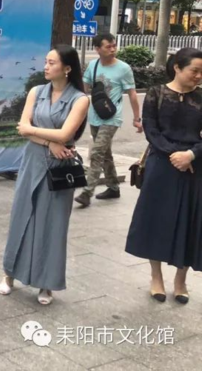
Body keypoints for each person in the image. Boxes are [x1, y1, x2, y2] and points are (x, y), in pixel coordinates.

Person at [0, 45, 89, 306]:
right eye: (46, 62)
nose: (46, 67)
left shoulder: (80, 99)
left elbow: (64, 134)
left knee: (53, 224)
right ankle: (9, 274)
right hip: (33, 160)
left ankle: (46, 283)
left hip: (60, 167)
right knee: (21, 217)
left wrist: (40, 134)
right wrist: (50, 142)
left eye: (52, 63)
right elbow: (23, 128)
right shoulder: (36, 92)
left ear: (67, 68)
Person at [125, 48, 202, 304]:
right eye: (194, 70)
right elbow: (152, 130)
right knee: (156, 220)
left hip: (195, 166)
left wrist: (190, 154)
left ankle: (181, 280)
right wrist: (174, 155)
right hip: (161, 163)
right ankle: (155, 277)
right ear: (177, 67)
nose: (198, 76)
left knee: (191, 222)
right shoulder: (156, 93)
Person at [76, 33, 142, 208]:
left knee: (97, 152)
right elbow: (84, 90)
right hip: (95, 115)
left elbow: (132, 94)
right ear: (97, 49)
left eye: (114, 46)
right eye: (108, 46)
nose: (113, 49)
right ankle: (113, 187)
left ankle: (87, 192)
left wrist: (137, 118)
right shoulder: (93, 65)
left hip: (112, 117)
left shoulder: (124, 68)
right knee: (105, 154)